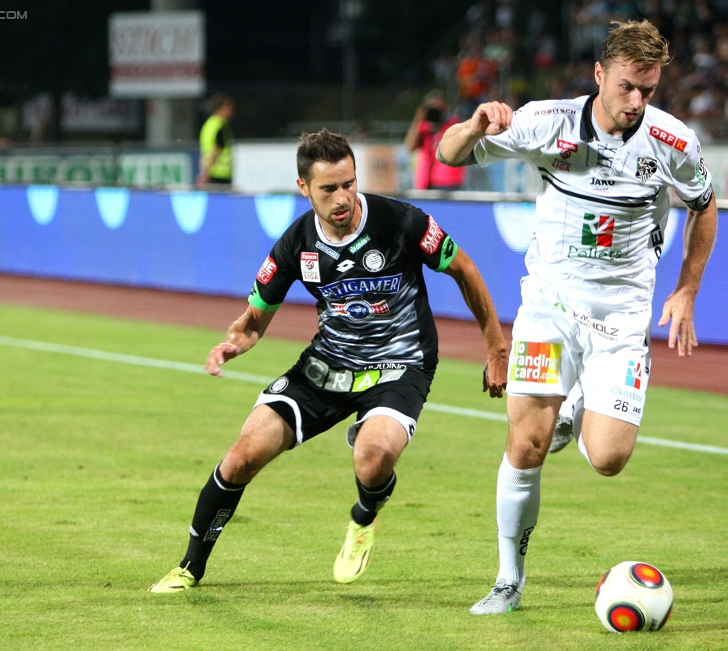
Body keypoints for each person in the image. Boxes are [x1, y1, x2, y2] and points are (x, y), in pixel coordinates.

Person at [437, 19, 718, 615]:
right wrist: (474, 123)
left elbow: (704, 203)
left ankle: (577, 404)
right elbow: (450, 154)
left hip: (621, 322)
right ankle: (508, 580)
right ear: (599, 76)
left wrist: (688, 287)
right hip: (549, 309)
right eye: (627, 87)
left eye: (649, 89)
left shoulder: (672, 142)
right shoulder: (549, 121)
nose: (638, 102)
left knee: (610, 460)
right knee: (527, 442)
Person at [149, 129, 509, 593]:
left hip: (401, 362)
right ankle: (189, 568)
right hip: (328, 363)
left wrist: (496, 349)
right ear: (304, 188)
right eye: (329, 189)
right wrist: (234, 342)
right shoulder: (295, 245)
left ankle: (363, 518)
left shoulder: (401, 221)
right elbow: (255, 318)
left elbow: (465, 268)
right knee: (240, 458)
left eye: (349, 184)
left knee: (372, 459)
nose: (343, 198)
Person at [404, 91, 466, 191]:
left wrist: (440, 126)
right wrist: (418, 119)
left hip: (450, 182)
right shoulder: (423, 128)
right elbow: (409, 147)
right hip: (426, 181)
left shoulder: (454, 125)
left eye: (439, 108)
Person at [196, 94, 235, 188]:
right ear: (222, 108)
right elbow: (215, 150)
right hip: (219, 174)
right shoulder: (220, 125)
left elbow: (205, 150)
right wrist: (206, 173)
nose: (231, 112)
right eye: (229, 108)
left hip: (212, 172)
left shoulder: (209, 125)